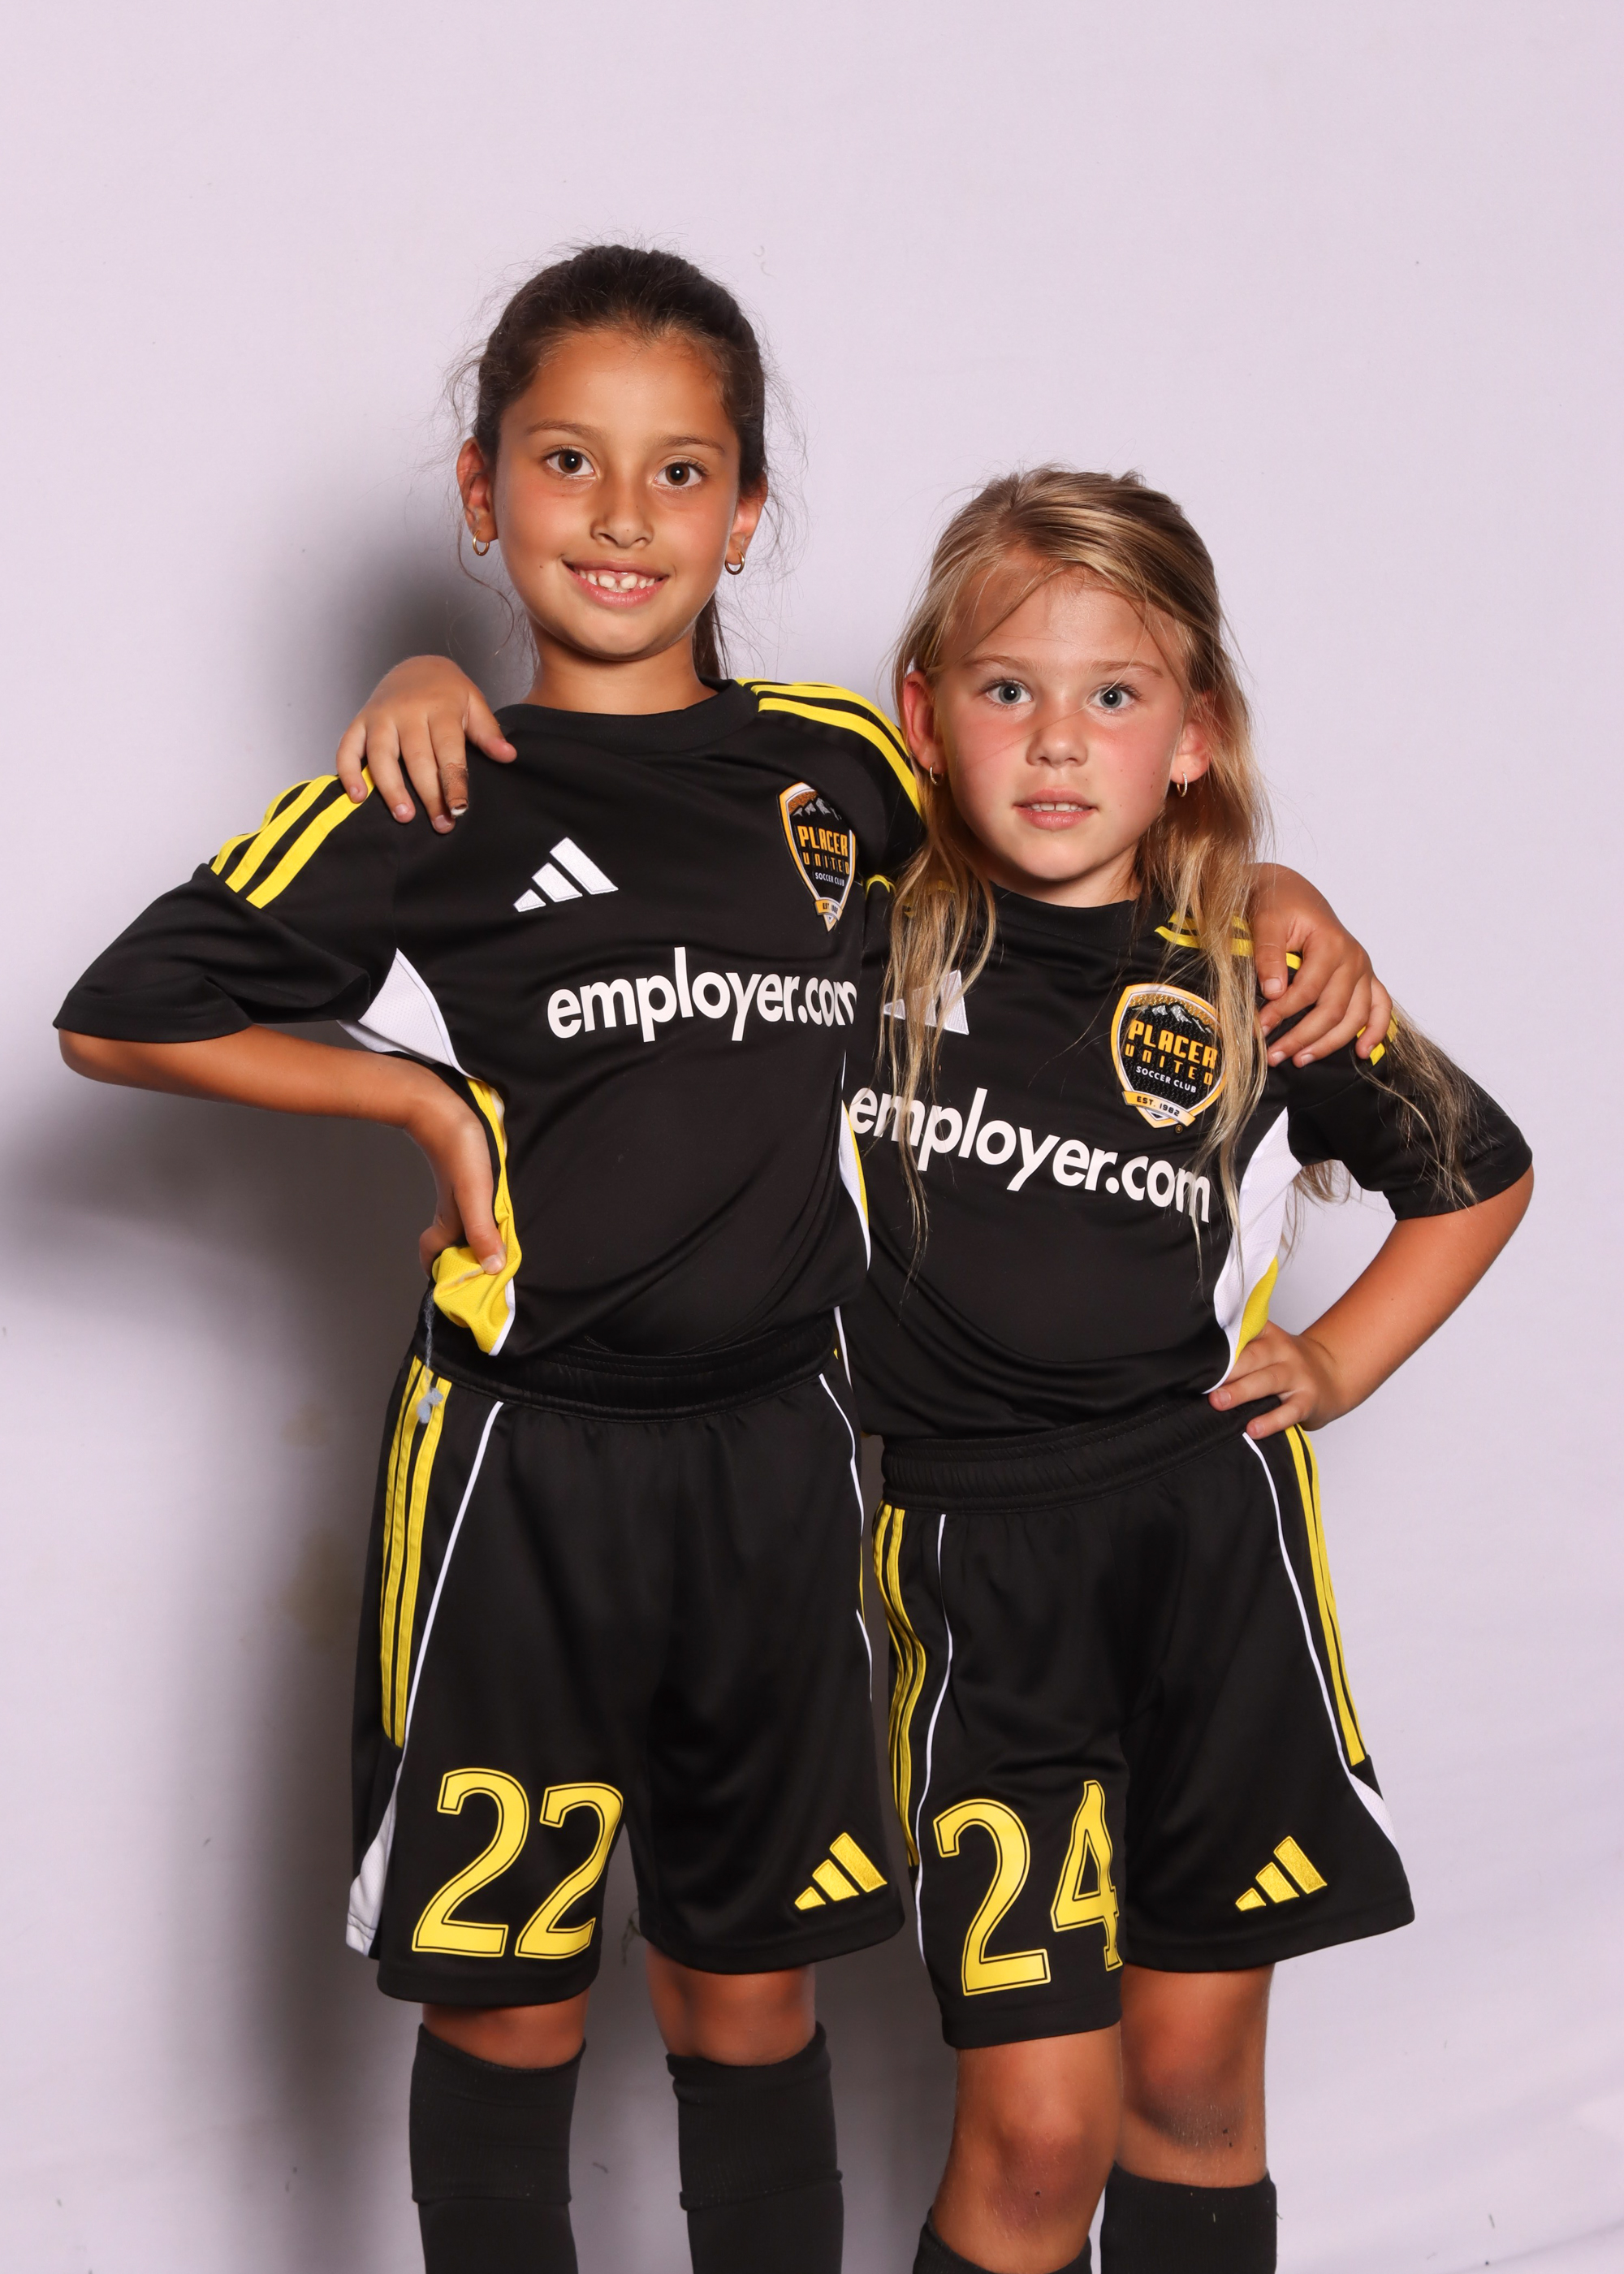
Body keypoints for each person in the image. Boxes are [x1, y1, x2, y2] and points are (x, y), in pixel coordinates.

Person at [57, 241, 1384, 2274]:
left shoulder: (844, 766)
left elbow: (1071, 815)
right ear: (482, 490)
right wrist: (414, 1102)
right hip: (520, 1469)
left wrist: (1273, 884)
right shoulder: (431, 788)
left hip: (786, 1464)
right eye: (565, 460)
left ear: (746, 508)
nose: (621, 511)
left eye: (679, 469)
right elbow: (120, 1013)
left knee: (746, 1990)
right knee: (508, 1997)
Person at [843, 468, 1532, 2274]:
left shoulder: (1252, 965)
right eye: (1007, 688)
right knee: (1035, 2132)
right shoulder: (852, 930)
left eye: (1116, 694)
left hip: (1210, 1561)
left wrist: (1340, 1360)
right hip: (972, 1574)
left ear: (1196, 734)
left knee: (1191, 2085)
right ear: (922, 711)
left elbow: (1477, 1174)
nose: (1059, 740)